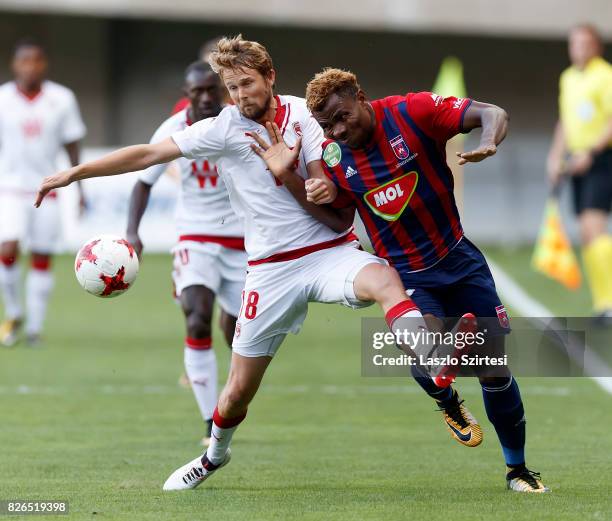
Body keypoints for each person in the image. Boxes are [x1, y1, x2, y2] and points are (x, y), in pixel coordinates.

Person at [34, 35, 439, 491]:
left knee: (385, 279)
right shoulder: (223, 129)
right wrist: (75, 173)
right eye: (232, 86)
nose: (240, 94)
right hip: (269, 270)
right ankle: (214, 455)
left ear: (270, 77)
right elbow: (149, 155)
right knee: (237, 392)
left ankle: (435, 364)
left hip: (329, 252)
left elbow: (331, 189)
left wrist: (308, 181)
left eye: (247, 82)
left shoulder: (304, 114)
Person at [302, 67, 549, 493]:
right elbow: (341, 217)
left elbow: (493, 112)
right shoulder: (333, 158)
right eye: (328, 125)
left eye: (343, 116)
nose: (338, 130)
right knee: (424, 345)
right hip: (407, 275)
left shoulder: (413, 112)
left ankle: (518, 471)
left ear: (360, 96)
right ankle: (447, 400)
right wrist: (315, 194)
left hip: (458, 258)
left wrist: (488, 139)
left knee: (494, 369)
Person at [126, 61, 246, 446]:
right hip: (195, 236)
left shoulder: (237, 121)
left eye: (213, 90)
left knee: (237, 335)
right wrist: (133, 233)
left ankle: (229, 400)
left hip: (244, 240)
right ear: (188, 94)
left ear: (223, 91)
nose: (207, 98)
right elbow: (143, 182)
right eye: (199, 92)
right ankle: (210, 422)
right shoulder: (174, 128)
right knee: (197, 319)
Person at [0, 38, 86, 347]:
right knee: (7, 247)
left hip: (47, 187)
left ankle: (35, 328)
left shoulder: (62, 99)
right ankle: (13, 312)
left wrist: (79, 188)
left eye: (36, 60)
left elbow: (72, 143)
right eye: (24, 60)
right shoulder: (3, 99)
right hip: (9, 187)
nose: (30, 66)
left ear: (44, 64)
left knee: (41, 256)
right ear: (14, 64)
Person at [547, 24, 612, 324]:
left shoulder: (605, 75)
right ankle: (603, 304)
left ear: (595, 46)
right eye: (574, 43)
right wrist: (556, 155)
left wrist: (591, 152)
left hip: (601, 158)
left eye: (585, 43)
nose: (579, 48)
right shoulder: (568, 78)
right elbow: (566, 120)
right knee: (587, 234)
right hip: (577, 160)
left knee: (593, 227)